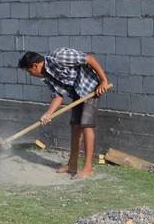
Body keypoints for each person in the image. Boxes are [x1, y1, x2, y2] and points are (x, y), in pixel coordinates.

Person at [18, 48, 111, 179]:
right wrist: (48, 113)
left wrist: (103, 81)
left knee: (86, 125)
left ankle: (88, 168)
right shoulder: (47, 76)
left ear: (35, 65)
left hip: (90, 88)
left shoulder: (59, 56)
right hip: (77, 94)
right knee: (75, 126)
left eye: (29, 71)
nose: (30, 74)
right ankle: (72, 164)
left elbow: (89, 58)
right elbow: (58, 97)